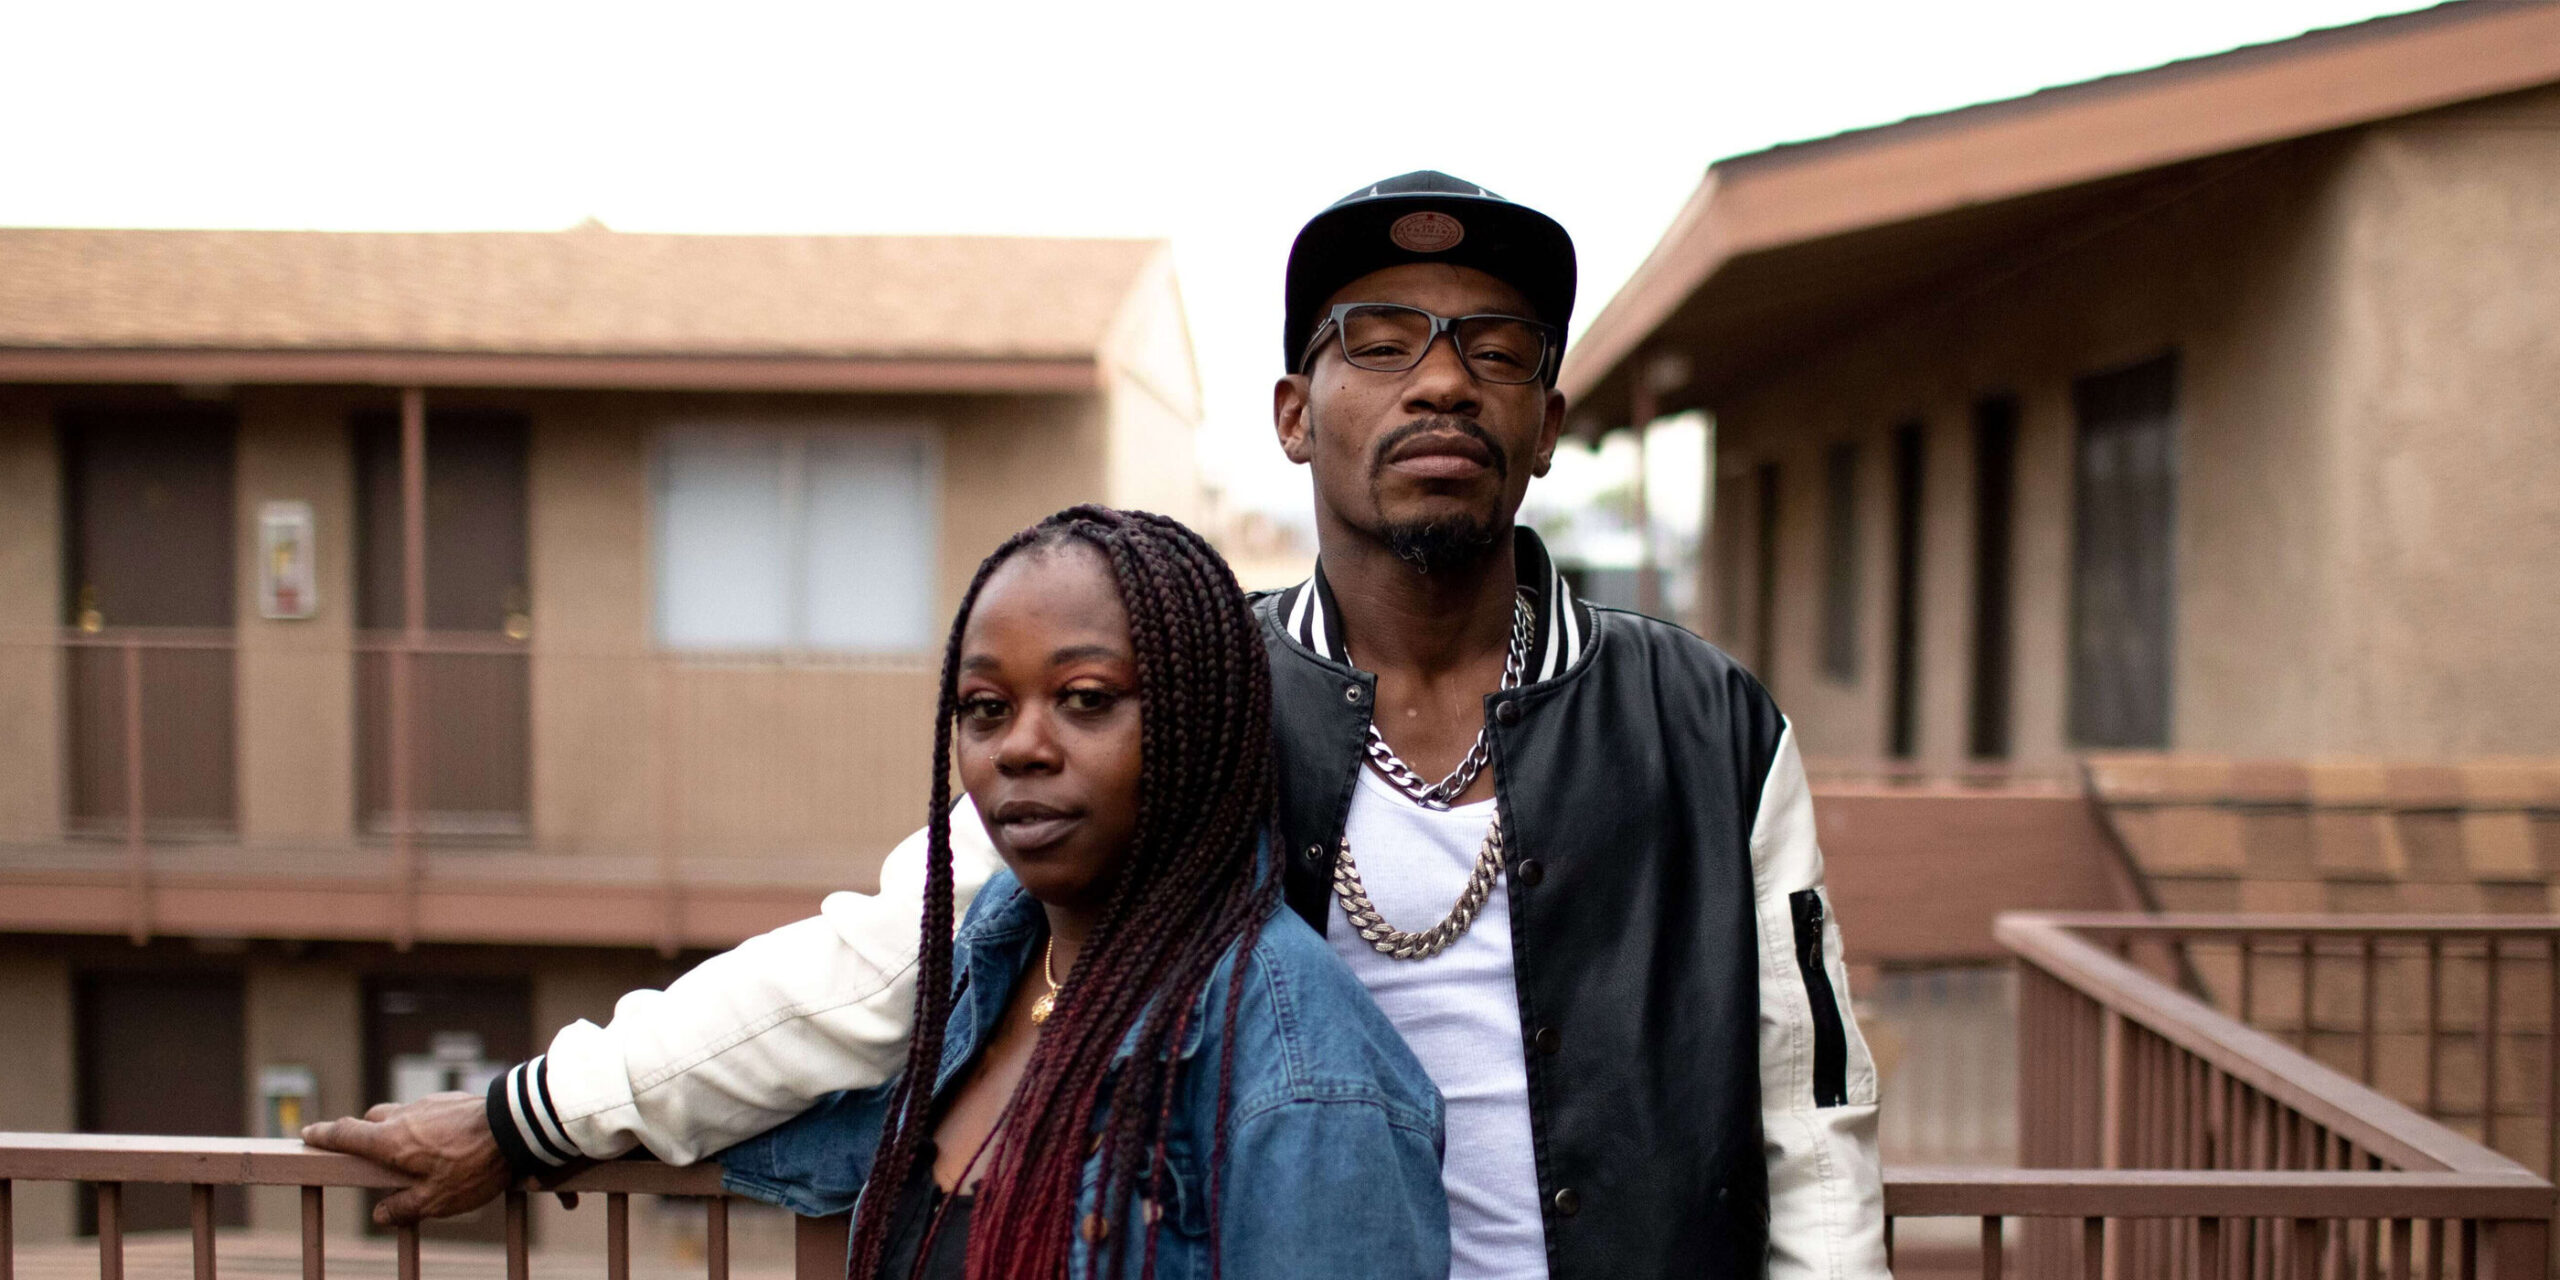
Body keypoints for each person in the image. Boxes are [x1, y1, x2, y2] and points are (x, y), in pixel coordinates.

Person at [307, 172, 1887, 1279]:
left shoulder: (1705, 721)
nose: (1444, 382)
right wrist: (538, 1114)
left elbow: (1811, 1120)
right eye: (1381, 338)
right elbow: (891, 958)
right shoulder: (1196, 696)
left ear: (1550, 421)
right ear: (1293, 414)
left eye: (1495, 348)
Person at [720, 507, 1446, 1278]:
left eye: (1086, 697)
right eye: (986, 710)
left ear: (1194, 719)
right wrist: (589, 1113)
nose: (1021, 747)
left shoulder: (1301, 1072)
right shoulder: (986, 972)